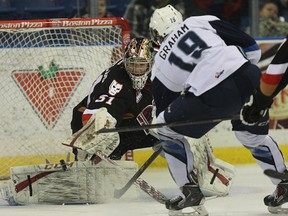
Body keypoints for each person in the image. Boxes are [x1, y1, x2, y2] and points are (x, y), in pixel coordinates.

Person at [149, 4, 287, 215]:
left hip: (211, 95)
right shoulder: (199, 21)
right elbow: (252, 49)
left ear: (157, 35)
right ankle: (284, 184)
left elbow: (166, 115)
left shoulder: (159, 64)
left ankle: (189, 192)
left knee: (166, 130)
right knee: (251, 135)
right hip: (249, 77)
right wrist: (234, 80)